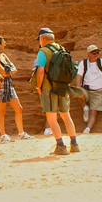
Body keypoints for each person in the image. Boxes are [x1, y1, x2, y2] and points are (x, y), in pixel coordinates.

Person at [34, 28, 79, 156]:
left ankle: (61, 146)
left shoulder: (43, 51)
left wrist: (39, 86)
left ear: (42, 39)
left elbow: (40, 70)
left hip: (49, 88)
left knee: (52, 118)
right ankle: (74, 144)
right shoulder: (62, 49)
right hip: (63, 87)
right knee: (66, 115)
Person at [0, 37, 34, 142]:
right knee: (2, 111)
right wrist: (9, 71)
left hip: (9, 84)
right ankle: (3, 135)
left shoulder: (3, 56)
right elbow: (5, 72)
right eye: (3, 43)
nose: (5, 44)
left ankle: (21, 133)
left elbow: (14, 68)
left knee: (19, 108)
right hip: (0, 87)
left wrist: (9, 71)